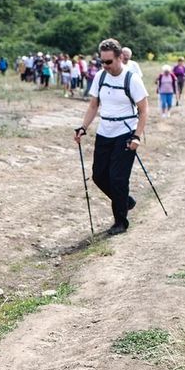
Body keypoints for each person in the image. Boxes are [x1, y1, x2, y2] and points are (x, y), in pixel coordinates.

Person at [73, 38, 148, 236]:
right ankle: (126, 201)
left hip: (126, 131)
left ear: (119, 58)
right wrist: (83, 127)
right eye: (102, 62)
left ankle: (120, 221)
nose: (105, 66)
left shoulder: (132, 79)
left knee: (118, 178)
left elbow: (144, 110)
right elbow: (93, 105)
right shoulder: (100, 76)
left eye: (108, 62)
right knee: (98, 175)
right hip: (105, 131)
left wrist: (137, 136)